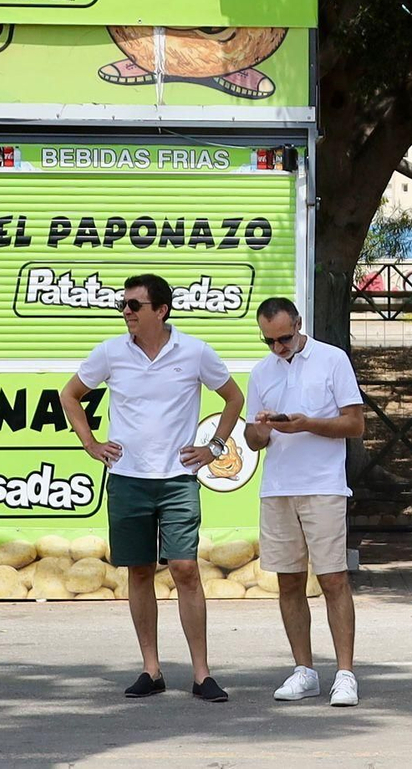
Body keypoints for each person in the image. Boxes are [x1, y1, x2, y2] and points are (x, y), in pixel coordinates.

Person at [60, 273, 244, 703]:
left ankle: (202, 675)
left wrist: (214, 447)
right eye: (123, 305)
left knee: (184, 569)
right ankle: (152, 669)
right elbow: (70, 395)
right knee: (139, 570)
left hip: (178, 479)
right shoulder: (111, 352)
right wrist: (90, 444)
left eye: (134, 306)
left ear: (161, 310)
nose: (126, 312)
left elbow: (233, 398)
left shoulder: (195, 351)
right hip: (128, 479)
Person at [243, 297, 366, 707]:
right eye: (270, 341)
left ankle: (345, 673)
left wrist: (306, 424)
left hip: (324, 486)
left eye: (284, 337)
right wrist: (261, 431)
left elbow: (355, 424)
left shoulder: (332, 360)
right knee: (288, 581)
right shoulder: (261, 372)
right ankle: (304, 670)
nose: (278, 347)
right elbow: (253, 439)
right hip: (277, 487)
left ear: (299, 324)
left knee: (333, 579)